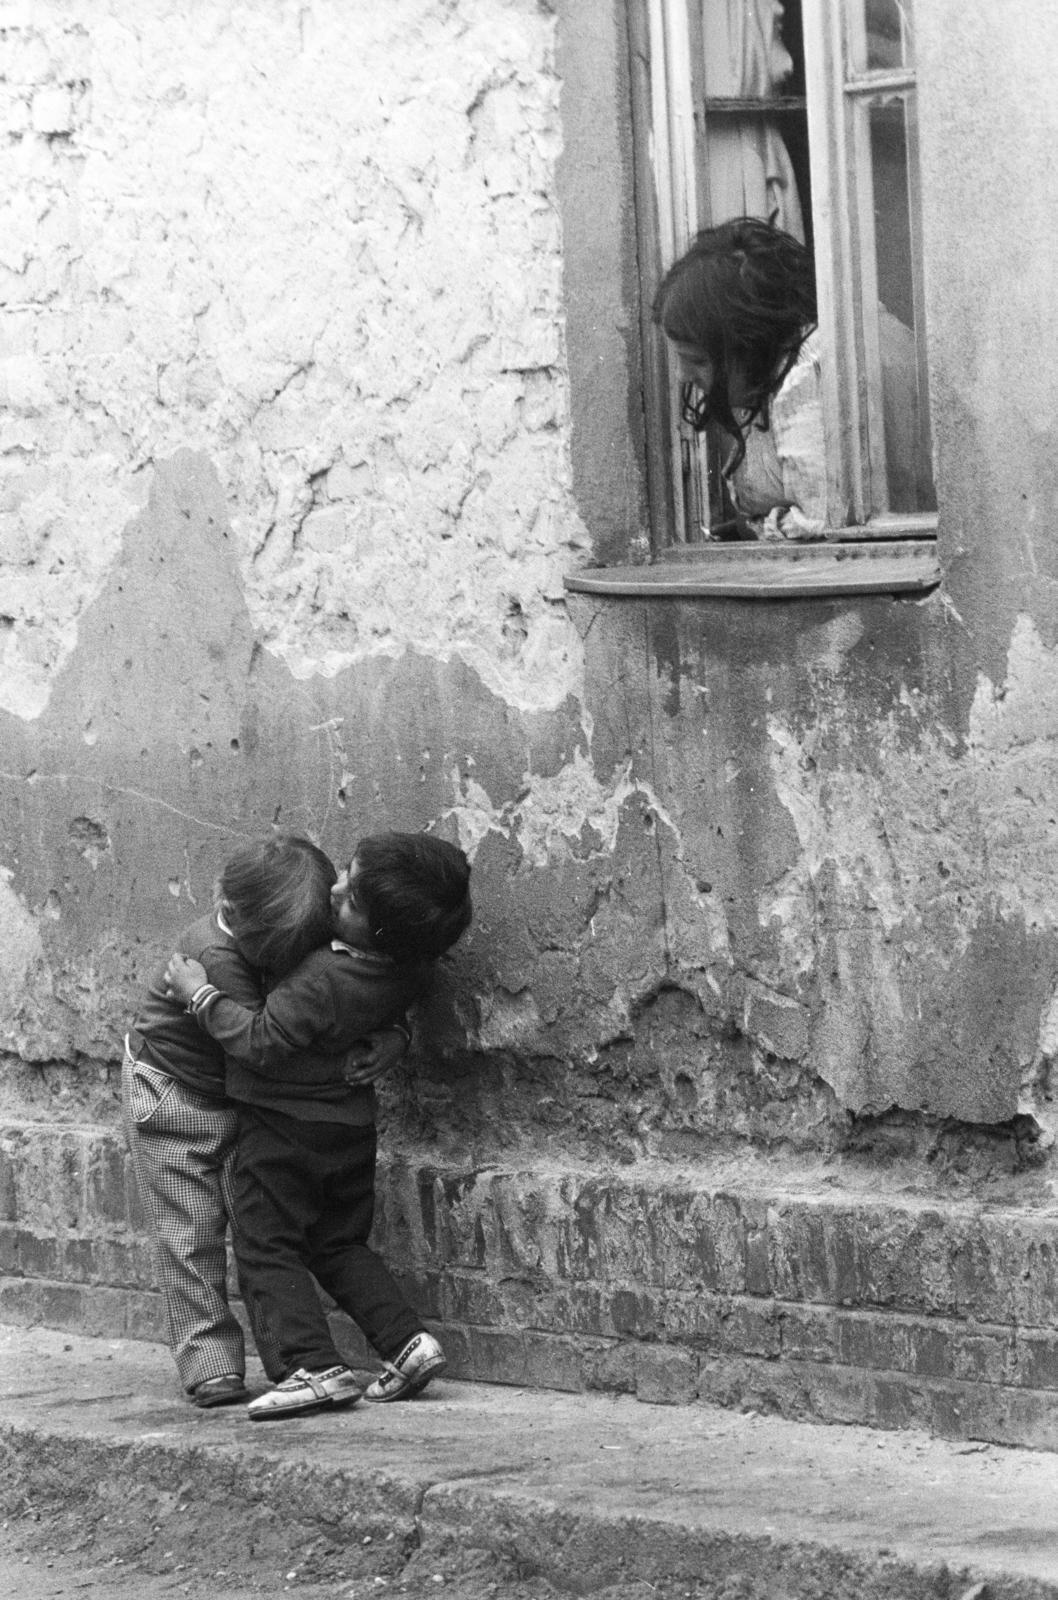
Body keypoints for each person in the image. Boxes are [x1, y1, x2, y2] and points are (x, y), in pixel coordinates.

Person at [164, 831, 473, 1421]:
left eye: (351, 898)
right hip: (350, 1131)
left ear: (379, 932)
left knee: (265, 1244)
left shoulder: (318, 977)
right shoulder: (408, 969)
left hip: (283, 1130)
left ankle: (309, 1366)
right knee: (337, 1243)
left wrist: (201, 995)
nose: (333, 891)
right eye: (347, 877)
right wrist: (397, 1037)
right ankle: (407, 1343)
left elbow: (260, 1042)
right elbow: (399, 1004)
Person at [123, 833, 408, 1408]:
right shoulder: (216, 957)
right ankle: (209, 1362)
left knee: (260, 1233)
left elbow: (346, 995)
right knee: (192, 1232)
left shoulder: (299, 930)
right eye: (274, 956)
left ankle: (293, 1362)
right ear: (226, 907)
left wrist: (394, 1035)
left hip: (248, 1104)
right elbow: (265, 1044)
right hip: (175, 1098)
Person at [653, 216, 826, 540]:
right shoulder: (772, 376)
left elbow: (820, 524)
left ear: (748, 343)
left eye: (697, 359)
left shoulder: (807, 380)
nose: (683, 375)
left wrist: (759, 527)